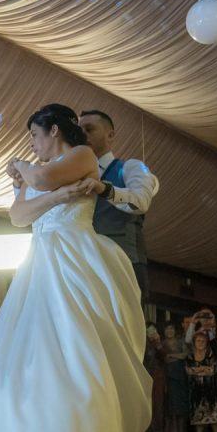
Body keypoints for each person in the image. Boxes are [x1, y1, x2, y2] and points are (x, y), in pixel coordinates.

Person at [0, 104, 151, 432]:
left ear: (54, 131)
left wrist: (21, 167)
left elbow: (39, 180)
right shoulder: (40, 170)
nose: (32, 144)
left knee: (77, 340)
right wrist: (56, 197)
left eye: (35, 134)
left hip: (73, 254)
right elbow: (18, 216)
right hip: (39, 257)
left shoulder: (81, 155)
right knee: (34, 346)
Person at [77, 110, 160, 307]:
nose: (83, 135)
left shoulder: (131, 167)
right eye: (79, 131)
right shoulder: (74, 174)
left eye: (89, 129)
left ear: (110, 134)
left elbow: (141, 202)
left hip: (125, 262)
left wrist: (105, 189)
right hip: (85, 265)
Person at [188, 330, 217, 432]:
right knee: (198, 415)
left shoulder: (212, 356)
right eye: (198, 341)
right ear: (194, 342)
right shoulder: (190, 356)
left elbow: (213, 371)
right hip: (196, 390)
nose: (200, 343)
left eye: (203, 341)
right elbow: (188, 371)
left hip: (212, 389)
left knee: (214, 415)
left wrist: (197, 370)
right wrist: (204, 369)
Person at [162, 324, 191, 432]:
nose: (170, 331)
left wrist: (172, 355)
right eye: (167, 328)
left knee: (181, 408)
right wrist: (177, 357)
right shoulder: (162, 344)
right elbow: (164, 359)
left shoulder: (180, 342)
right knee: (170, 409)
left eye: (172, 328)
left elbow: (185, 354)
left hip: (180, 376)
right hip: (167, 377)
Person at [142, 325, 168, 432]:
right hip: (145, 377)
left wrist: (157, 344)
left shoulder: (158, 344)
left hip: (157, 378)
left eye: (154, 331)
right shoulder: (142, 343)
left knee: (158, 407)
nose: (151, 333)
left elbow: (164, 356)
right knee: (147, 407)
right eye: (149, 331)